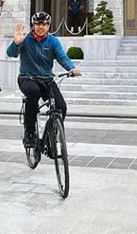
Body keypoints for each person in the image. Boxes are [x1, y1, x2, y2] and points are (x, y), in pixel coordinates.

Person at [6, 11, 81, 148]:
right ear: (33, 25)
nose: (41, 27)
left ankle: (52, 134)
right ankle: (29, 134)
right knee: (33, 93)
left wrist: (72, 68)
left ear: (49, 26)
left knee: (61, 107)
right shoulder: (25, 39)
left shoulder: (53, 41)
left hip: (47, 80)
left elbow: (62, 57)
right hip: (27, 78)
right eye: (38, 24)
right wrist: (16, 43)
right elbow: (11, 54)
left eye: (44, 24)